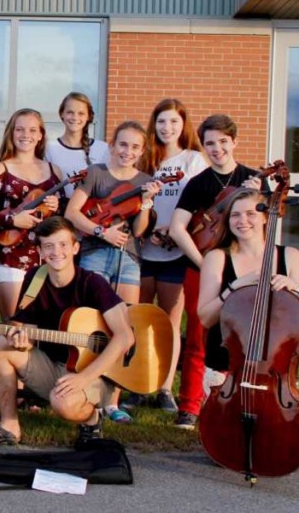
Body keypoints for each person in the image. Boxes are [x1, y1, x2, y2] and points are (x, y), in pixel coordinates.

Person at [0, 217, 134, 448]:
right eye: (49, 246)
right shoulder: (35, 278)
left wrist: (83, 378)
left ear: (75, 248)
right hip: (52, 365)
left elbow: (125, 336)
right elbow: (22, 325)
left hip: (94, 372)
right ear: (39, 251)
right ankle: (9, 426)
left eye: (63, 244)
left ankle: (92, 419)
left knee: (63, 404)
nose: (57, 252)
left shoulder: (92, 283)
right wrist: (20, 337)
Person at [167, 115, 265, 430]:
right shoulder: (199, 183)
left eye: (223, 141)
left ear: (234, 141)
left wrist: (260, 194)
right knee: (199, 334)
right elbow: (178, 227)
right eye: (210, 143)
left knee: (246, 335)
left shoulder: (254, 178)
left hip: (245, 265)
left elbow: (268, 223)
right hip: (204, 267)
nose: (217, 148)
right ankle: (190, 407)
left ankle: (241, 399)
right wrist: (202, 262)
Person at [65, 121, 162, 423]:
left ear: (142, 151)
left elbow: (140, 230)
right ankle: (88, 391)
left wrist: (146, 202)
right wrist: (100, 231)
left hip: (127, 256)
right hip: (94, 253)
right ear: (112, 145)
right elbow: (71, 213)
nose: (127, 151)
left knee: (124, 326)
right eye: (123, 144)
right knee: (91, 323)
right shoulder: (97, 173)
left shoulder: (145, 180)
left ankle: (112, 400)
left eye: (135, 147)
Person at [197, 189, 299, 391]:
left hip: (276, 366)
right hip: (227, 367)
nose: (243, 220)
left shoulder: (291, 256)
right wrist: (235, 287)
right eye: (235, 215)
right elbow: (205, 318)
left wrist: (295, 289)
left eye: (251, 214)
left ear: (266, 217)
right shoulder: (217, 257)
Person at [136, 98, 208, 413]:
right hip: (143, 249)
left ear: (183, 125)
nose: (167, 128)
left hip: (176, 250)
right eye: (162, 122)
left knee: (169, 321)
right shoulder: (146, 159)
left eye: (174, 122)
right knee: (139, 319)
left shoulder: (193, 160)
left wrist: (172, 228)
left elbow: (202, 207)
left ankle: (165, 387)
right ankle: (137, 382)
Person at [0, 108, 63, 321]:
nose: (26, 134)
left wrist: (57, 206)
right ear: (11, 133)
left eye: (32, 130)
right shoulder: (1, 168)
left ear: (40, 135)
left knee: (45, 327)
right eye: (20, 129)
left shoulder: (55, 171)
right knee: (16, 325)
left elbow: (63, 219)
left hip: (47, 258)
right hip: (10, 257)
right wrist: (12, 220)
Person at [44, 92, 109, 198]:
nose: (75, 117)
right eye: (70, 112)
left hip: (93, 212)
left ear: (88, 116)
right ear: (62, 114)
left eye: (81, 113)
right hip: (58, 212)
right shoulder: (49, 148)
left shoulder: (102, 148)